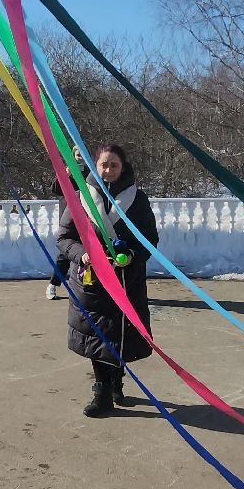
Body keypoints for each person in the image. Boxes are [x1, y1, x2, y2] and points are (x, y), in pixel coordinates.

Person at [56, 143, 159, 417]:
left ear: (123, 166)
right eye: (104, 164)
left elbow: (149, 239)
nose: (109, 170)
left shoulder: (137, 199)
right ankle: (101, 391)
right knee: (97, 335)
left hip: (127, 280)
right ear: (95, 166)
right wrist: (83, 255)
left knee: (120, 334)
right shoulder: (81, 197)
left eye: (114, 164)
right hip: (90, 282)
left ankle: (116, 381)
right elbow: (64, 238)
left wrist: (132, 256)